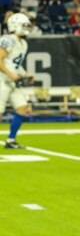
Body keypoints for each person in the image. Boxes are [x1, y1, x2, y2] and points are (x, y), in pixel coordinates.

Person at [1, 12, 35, 149]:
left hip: (11, 81)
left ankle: (11, 140)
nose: (27, 28)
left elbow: (15, 63)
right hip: (1, 80)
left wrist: (25, 74)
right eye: (24, 25)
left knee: (22, 107)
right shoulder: (8, 39)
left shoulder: (23, 43)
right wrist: (11, 75)